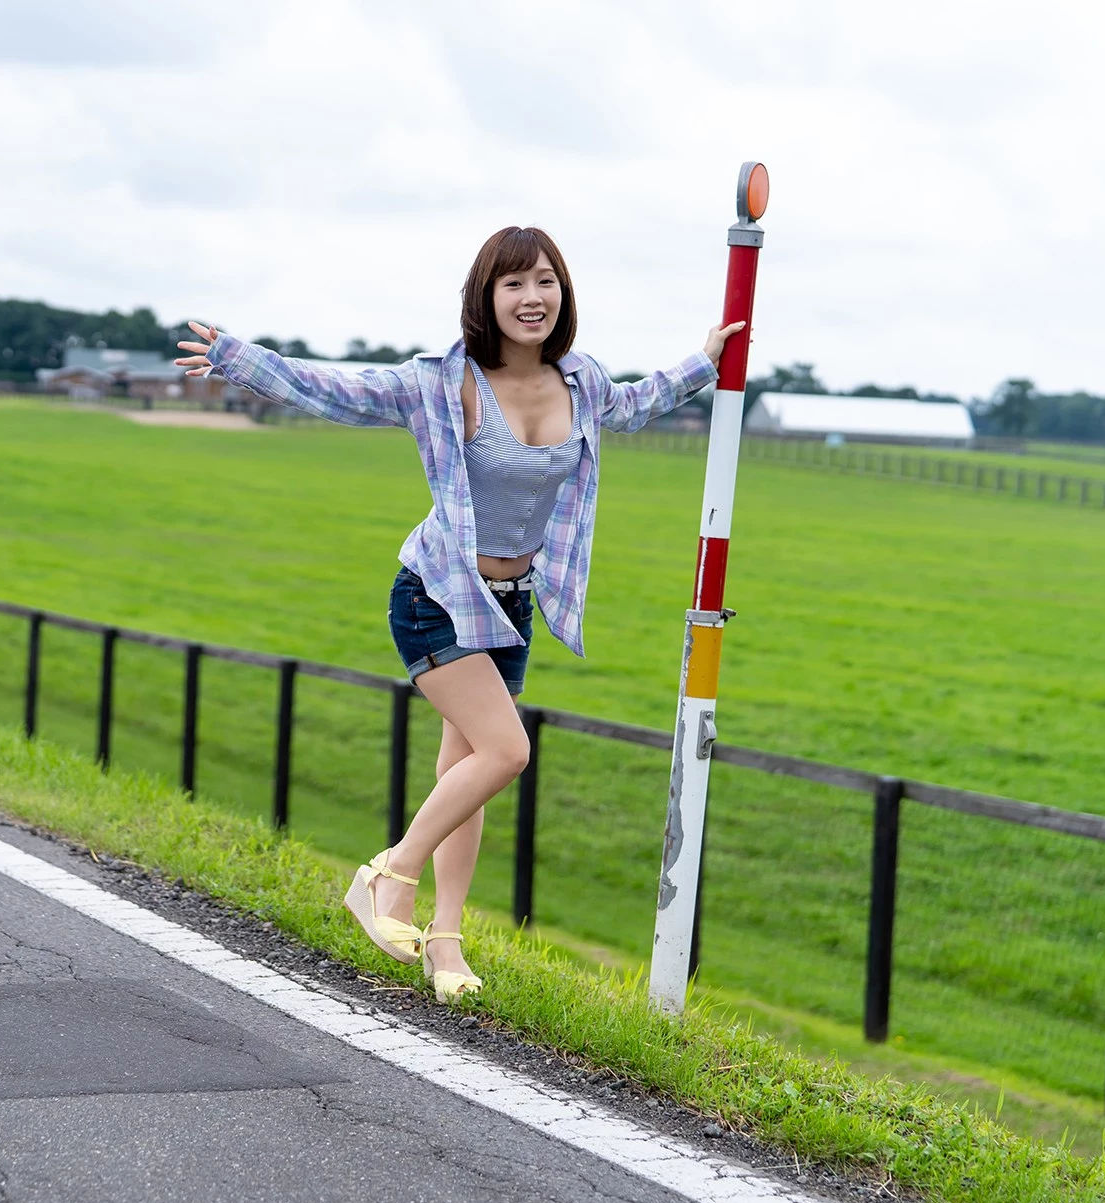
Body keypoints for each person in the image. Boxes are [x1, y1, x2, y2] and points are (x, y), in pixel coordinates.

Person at [176, 226, 741, 1005]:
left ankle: (446, 942)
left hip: (509, 610)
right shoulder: (445, 383)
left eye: (545, 281)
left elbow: (643, 404)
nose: (532, 297)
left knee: (465, 774)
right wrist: (243, 359)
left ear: (563, 293)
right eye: (514, 284)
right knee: (507, 753)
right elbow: (340, 392)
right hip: (436, 597)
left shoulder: (584, 383)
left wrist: (705, 361)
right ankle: (386, 876)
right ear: (487, 296)